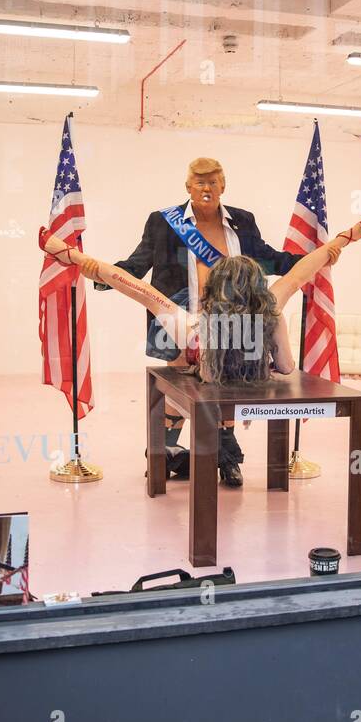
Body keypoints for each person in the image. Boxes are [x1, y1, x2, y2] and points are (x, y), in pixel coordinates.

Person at [97, 157, 325, 486]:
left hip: (231, 323)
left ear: (224, 186)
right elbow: (139, 262)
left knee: (227, 390)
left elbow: (268, 258)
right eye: (200, 182)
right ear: (188, 187)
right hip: (181, 320)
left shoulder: (243, 221)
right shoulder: (164, 222)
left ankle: (227, 459)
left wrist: (309, 262)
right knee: (179, 391)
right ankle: (165, 453)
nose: (207, 188)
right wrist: (107, 277)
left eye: (214, 181)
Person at [42, 217, 361, 383]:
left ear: (215, 285)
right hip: (253, 391)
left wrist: (76, 258)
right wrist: (340, 241)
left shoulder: (192, 323)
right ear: (257, 284)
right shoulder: (269, 310)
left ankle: (172, 454)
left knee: (150, 300)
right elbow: (299, 276)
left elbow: (131, 285)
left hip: (207, 388)